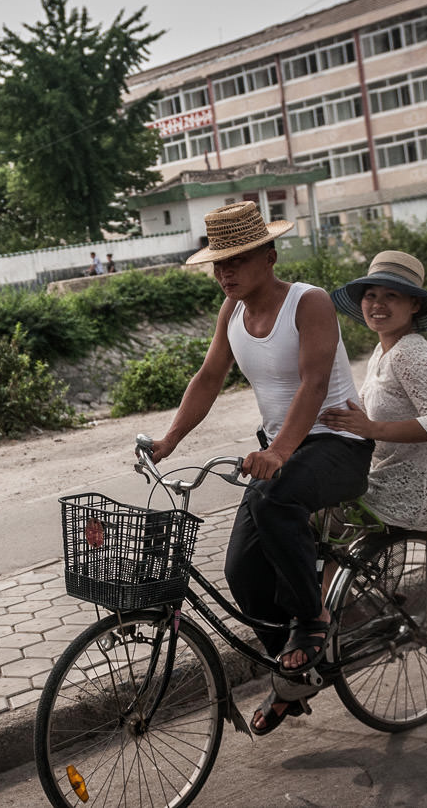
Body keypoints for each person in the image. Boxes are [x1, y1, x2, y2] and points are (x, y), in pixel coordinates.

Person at [148, 201, 373, 735]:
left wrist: (278, 452)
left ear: (269, 256)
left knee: (275, 501)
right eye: (218, 265)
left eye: (237, 261)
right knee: (241, 573)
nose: (225, 273)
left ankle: (311, 621)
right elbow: (207, 378)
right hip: (287, 453)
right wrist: (169, 440)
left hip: (338, 444)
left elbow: (314, 384)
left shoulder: (309, 303)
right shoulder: (232, 313)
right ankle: (292, 677)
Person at [320, 251, 427, 534]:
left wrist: (373, 428)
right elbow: (360, 410)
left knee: (317, 523)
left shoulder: (409, 352)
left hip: (418, 486)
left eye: (391, 296)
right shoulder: (383, 351)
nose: (378, 304)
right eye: (371, 295)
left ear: (414, 304)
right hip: (391, 473)